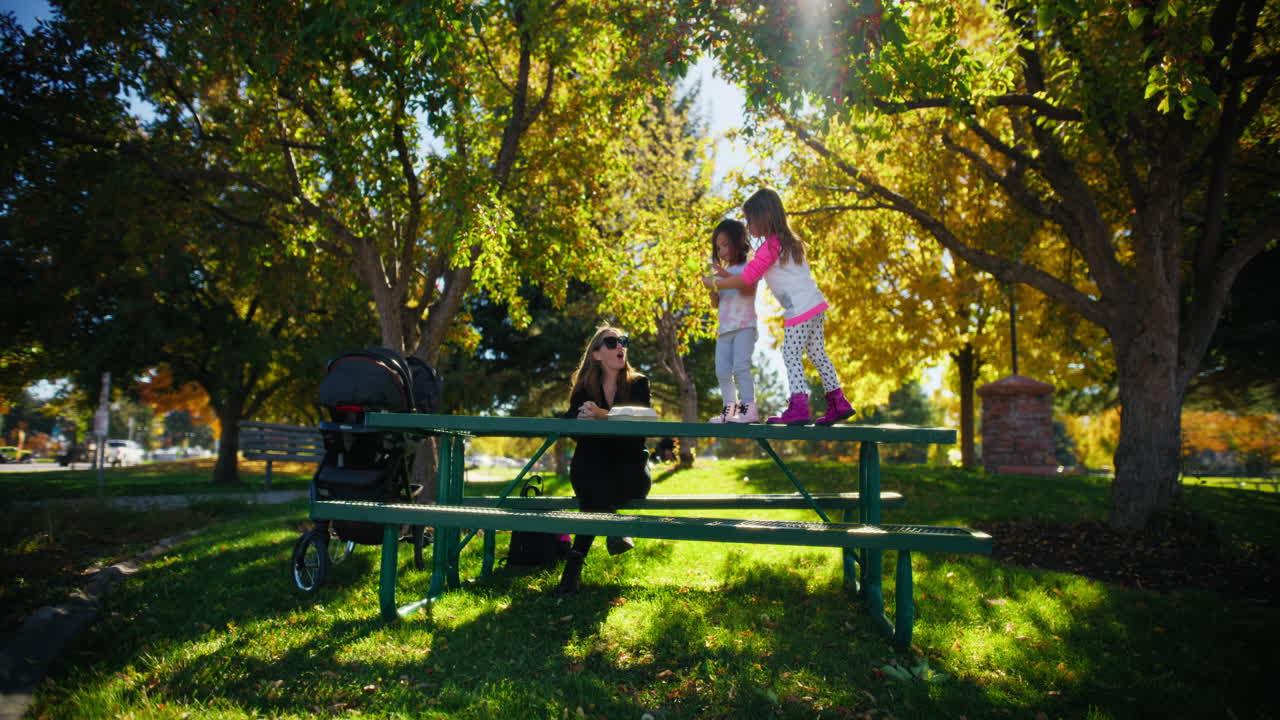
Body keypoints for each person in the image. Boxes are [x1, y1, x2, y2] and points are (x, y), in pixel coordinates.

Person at [701, 188, 854, 426]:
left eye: (750, 219)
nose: (748, 225)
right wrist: (723, 273)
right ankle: (838, 401)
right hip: (815, 305)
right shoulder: (790, 242)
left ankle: (799, 406)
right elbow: (745, 274)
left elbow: (745, 280)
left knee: (791, 353)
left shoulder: (769, 248)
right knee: (816, 353)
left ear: (764, 217)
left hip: (799, 310)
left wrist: (714, 283)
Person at [556, 325, 653, 594]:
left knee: (594, 486)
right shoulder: (585, 388)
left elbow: (645, 420)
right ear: (596, 354)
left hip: (630, 473)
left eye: (623, 341)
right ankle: (611, 523)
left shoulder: (639, 383)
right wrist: (579, 417)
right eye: (611, 342)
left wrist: (603, 416)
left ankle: (574, 564)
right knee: (592, 468)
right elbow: (570, 427)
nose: (620, 346)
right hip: (592, 472)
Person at [707, 219, 760, 423]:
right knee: (722, 371)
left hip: (744, 326)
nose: (721, 250)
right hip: (725, 329)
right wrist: (712, 286)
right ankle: (730, 408)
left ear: (739, 241)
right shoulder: (723, 273)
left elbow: (747, 288)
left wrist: (722, 275)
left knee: (740, 367)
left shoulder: (748, 267)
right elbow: (715, 304)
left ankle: (749, 407)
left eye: (725, 244)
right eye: (718, 247)